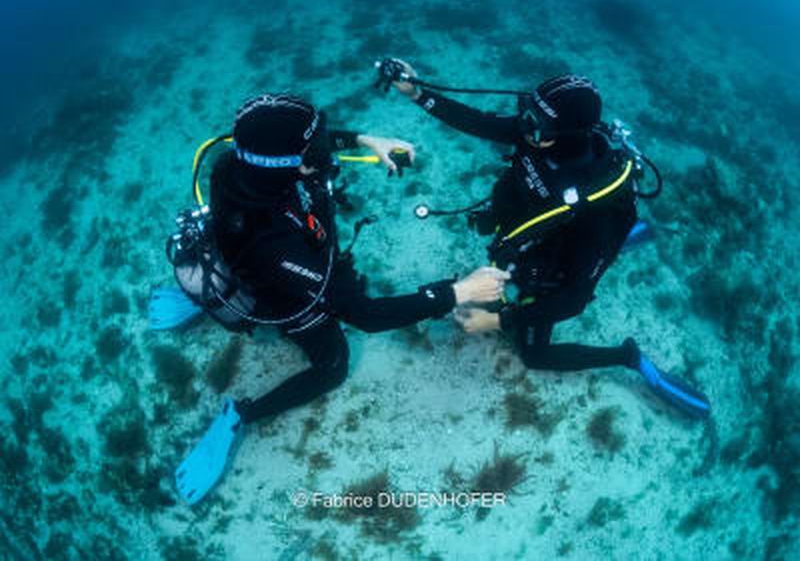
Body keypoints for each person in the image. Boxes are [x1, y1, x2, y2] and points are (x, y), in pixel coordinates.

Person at [172, 93, 509, 504]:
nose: (323, 152)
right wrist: (457, 292)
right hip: (290, 301)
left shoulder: (236, 162)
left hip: (272, 256)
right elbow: (364, 315)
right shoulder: (272, 244)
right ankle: (240, 415)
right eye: (314, 150)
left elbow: (299, 150)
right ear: (291, 165)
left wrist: (368, 139)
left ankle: (210, 289)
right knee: (332, 367)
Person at [388, 61, 711, 420]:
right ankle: (641, 236)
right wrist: (417, 93)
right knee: (512, 267)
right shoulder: (537, 132)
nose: (523, 128)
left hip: (564, 255)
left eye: (534, 125)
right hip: (527, 231)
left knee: (535, 356)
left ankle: (629, 357)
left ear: (569, 134)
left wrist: (498, 323)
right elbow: (479, 122)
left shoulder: (598, 205)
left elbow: (572, 301)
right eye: (524, 114)